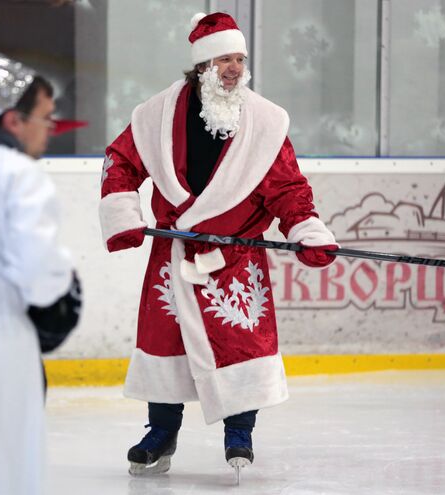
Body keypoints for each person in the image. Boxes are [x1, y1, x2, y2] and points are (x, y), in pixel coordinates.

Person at [99, 12, 337, 477]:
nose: (234, 68)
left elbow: (288, 189)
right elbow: (120, 161)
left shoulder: (265, 122)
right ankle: (161, 433)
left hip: (236, 257)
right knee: (165, 344)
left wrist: (307, 231)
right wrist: (124, 216)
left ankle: (239, 433)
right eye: (225, 58)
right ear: (202, 65)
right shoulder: (155, 116)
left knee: (239, 344)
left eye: (240, 59)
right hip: (174, 254)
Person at [0, 49, 82, 495]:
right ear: (12, 120)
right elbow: (39, 270)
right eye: (45, 118)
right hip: (1, 341)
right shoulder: (16, 174)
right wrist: (63, 293)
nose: (50, 129)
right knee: (6, 460)